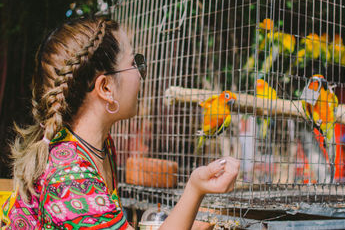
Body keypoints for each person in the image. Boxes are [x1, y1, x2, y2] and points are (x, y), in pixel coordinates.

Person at [0, 17, 239, 229]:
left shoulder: (98, 148)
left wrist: (195, 187)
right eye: (134, 62)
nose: (141, 72)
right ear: (106, 87)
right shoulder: (72, 181)